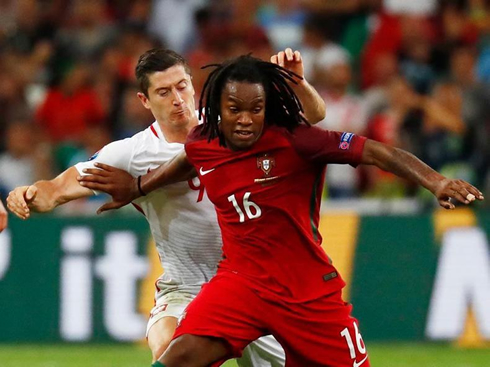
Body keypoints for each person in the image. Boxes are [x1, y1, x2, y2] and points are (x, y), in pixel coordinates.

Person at [75, 54, 483, 367]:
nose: (246, 120)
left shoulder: (297, 141)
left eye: (256, 108)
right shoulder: (204, 140)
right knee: (176, 356)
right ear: (218, 107)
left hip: (305, 291)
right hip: (240, 285)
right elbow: (189, 159)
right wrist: (140, 186)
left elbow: (377, 151)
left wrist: (437, 182)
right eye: (235, 109)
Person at [6, 48, 326, 366]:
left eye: (182, 86)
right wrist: (28, 195)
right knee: (169, 353)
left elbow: (313, 115)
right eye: (163, 91)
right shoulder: (131, 154)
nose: (177, 98)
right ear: (145, 100)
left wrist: (296, 82)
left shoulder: (234, 128)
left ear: (192, 85)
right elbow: (57, 191)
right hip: (186, 289)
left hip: (257, 285)